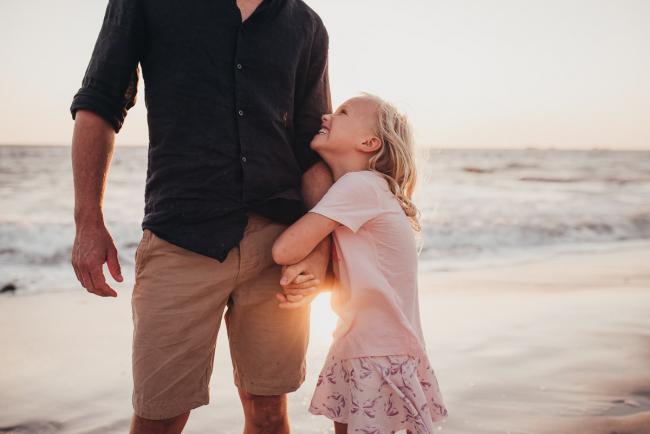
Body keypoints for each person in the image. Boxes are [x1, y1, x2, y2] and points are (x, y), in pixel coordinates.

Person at [68, 0, 334, 433]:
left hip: (280, 249)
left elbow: (314, 147)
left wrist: (320, 248)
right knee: (159, 417)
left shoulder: (306, 25)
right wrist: (88, 222)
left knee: (269, 413)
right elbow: (98, 103)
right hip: (181, 236)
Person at [272, 94, 448, 433]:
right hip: (366, 343)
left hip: (376, 351)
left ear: (369, 142)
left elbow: (284, 250)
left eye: (343, 112)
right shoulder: (369, 189)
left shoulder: (359, 186)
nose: (326, 115)